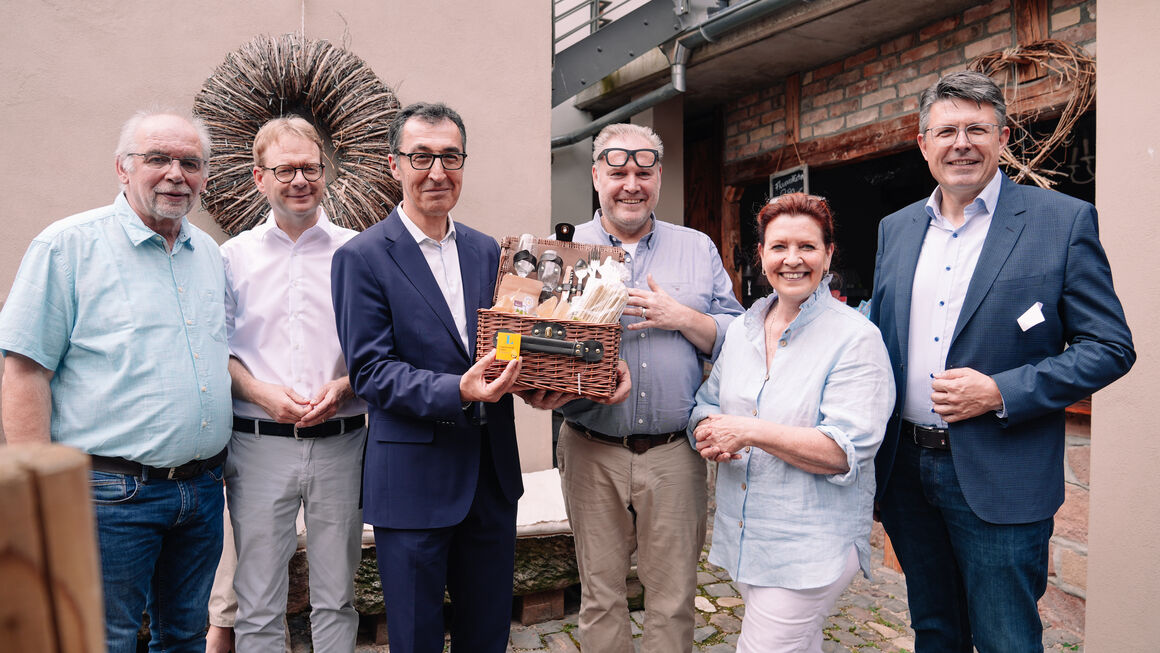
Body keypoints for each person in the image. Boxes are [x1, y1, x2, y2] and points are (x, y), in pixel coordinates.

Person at [869, 71, 1136, 652]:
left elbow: (1111, 347)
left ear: (1004, 137)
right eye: (945, 131)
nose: (960, 142)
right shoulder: (896, 229)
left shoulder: (1062, 221)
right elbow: (876, 338)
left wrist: (1000, 391)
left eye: (976, 129)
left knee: (1005, 639)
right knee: (934, 631)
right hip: (907, 471)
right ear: (923, 143)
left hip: (1002, 475)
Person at [0, 110, 231, 653]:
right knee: (102, 640)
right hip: (108, 495)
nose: (176, 173)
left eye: (190, 163)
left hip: (198, 493)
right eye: (158, 159)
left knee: (184, 637)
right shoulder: (67, 247)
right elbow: (23, 371)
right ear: (122, 169)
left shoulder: (209, 256)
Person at [331, 102, 524, 653]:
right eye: (421, 157)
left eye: (450, 157)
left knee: (485, 637)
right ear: (394, 165)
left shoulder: (492, 252)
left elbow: (506, 344)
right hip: (413, 481)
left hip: (490, 477)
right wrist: (456, 390)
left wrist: (539, 381)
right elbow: (369, 371)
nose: (437, 172)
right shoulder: (362, 257)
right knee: (414, 639)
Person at [554, 123, 743, 653]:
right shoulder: (565, 250)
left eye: (643, 172)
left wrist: (682, 316)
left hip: (674, 453)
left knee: (674, 597)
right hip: (591, 448)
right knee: (600, 596)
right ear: (596, 177)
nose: (630, 184)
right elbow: (537, 346)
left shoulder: (696, 248)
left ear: (659, 177)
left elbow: (738, 337)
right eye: (617, 173)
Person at [690, 193, 893, 652]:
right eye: (779, 246)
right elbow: (705, 404)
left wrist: (747, 430)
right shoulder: (743, 329)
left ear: (828, 254)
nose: (793, 259)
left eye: (807, 246)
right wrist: (708, 433)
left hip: (809, 546)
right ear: (760, 255)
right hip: (750, 535)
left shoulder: (855, 338)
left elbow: (844, 452)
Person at [215, 116, 367, 652]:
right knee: (257, 603)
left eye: (310, 168)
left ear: (325, 173)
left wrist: (346, 385)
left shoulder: (359, 252)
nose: (300, 180)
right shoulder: (231, 258)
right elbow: (218, 353)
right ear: (260, 178)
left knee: (337, 597)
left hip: (343, 442)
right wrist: (261, 393)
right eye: (285, 170)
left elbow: (380, 347)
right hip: (257, 447)